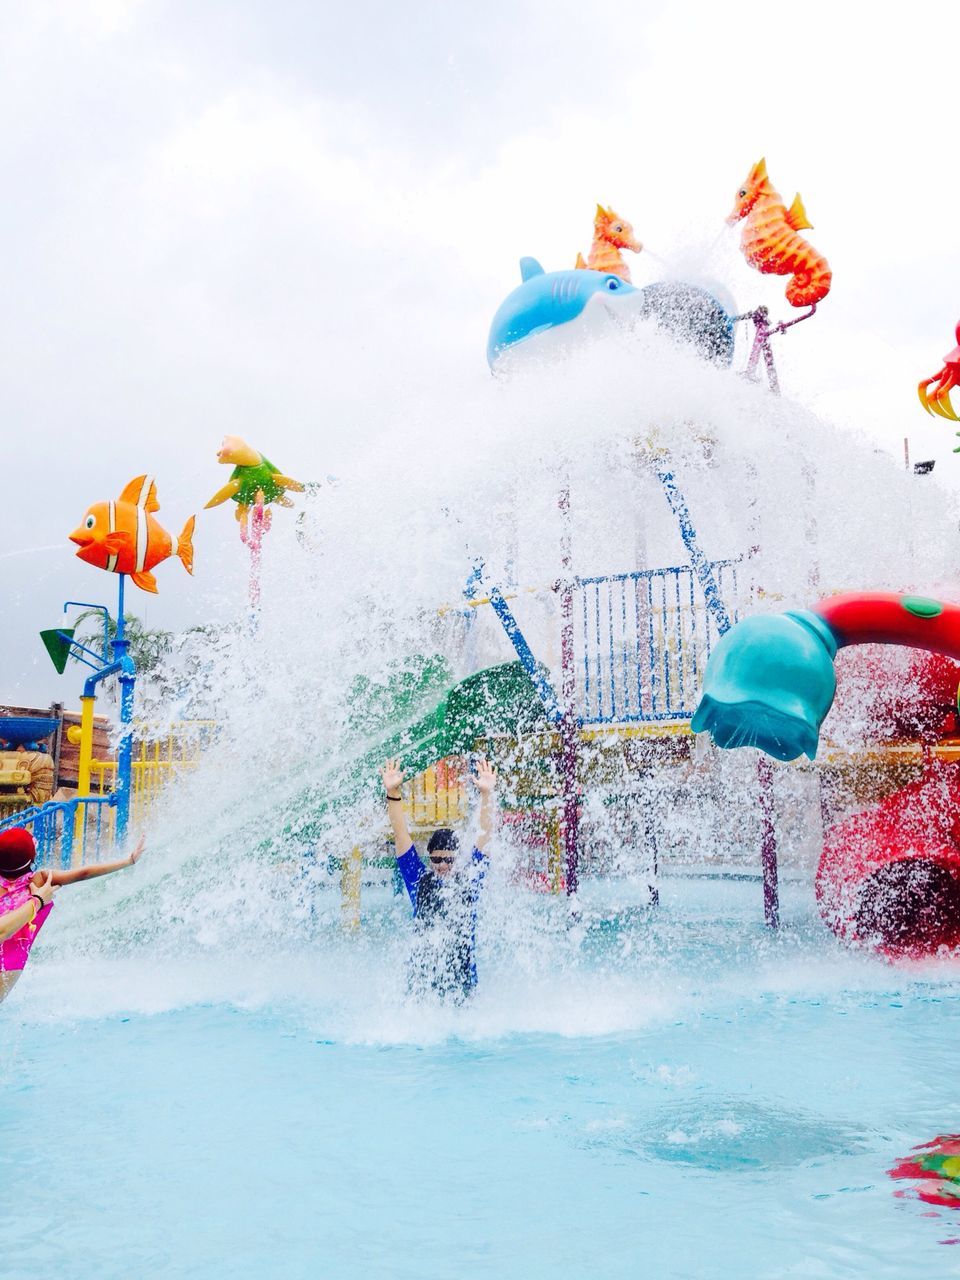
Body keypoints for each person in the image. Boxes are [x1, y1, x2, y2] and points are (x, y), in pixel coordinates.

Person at [381, 757, 497, 1003]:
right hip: (422, 986)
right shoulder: (419, 881)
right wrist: (392, 792)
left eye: (448, 860)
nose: (442, 866)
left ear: (458, 858)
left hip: (463, 983)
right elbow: (400, 833)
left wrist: (487, 795)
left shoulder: (470, 881)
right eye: (436, 860)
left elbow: (486, 836)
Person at [0, 825, 144, 1003]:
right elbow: (84, 873)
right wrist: (128, 861)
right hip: (9, 966)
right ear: (32, 858)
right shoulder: (41, 880)